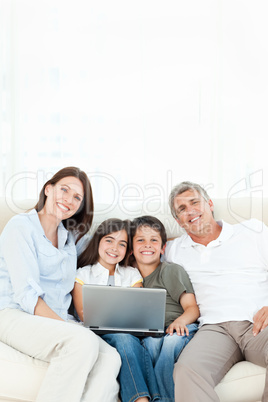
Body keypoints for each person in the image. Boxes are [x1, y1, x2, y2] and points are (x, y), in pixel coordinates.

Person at [0, 166, 121, 402]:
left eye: (77, 197)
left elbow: (106, 245)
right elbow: (27, 295)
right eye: (64, 190)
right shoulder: (20, 226)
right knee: (82, 341)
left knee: (111, 357)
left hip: (56, 320)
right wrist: (69, 327)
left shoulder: (70, 237)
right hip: (14, 314)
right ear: (48, 189)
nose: (69, 199)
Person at [164, 181, 268, 402]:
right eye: (182, 209)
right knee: (186, 369)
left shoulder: (252, 231)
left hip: (258, 323)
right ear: (178, 221)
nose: (190, 211)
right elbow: (144, 254)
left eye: (194, 202)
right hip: (214, 329)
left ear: (209, 204)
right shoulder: (174, 250)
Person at [72, 218, 163, 402]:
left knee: (128, 340)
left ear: (128, 250)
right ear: (98, 241)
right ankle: (143, 399)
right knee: (124, 339)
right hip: (94, 334)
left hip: (128, 336)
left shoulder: (131, 274)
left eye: (122, 244)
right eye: (109, 240)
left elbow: (137, 311)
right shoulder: (83, 274)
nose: (114, 248)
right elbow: (84, 313)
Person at [130, 215, 199, 402]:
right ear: (131, 247)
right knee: (150, 346)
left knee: (170, 344)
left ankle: (163, 399)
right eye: (140, 240)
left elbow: (192, 308)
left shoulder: (170, 270)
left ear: (163, 248)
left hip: (180, 327)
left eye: (154, 240)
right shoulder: (129, 277)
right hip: (152, 333)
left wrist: (179, 322)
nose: (147, 245)